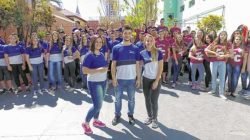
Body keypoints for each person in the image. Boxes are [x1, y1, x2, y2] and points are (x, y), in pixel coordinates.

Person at [111, 25, 141, 126]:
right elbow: (113, 64)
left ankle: (130, 115)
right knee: (117, 99)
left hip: (131, 80)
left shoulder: (136, 48)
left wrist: (138, 78)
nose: (127, 35)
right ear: (122, 34)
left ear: (131, 34)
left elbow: (137, 65)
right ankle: (117, 115)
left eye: (129, 33)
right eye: (125, 33)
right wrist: (114, 78)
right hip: (119, 79)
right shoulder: (116, 48)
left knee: (131, 99)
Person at [81, 36, 108, 134]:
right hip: (94, 83)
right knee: (97, 105)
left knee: (99, 104)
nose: (99, 43)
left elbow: (102, 67)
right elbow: (84, 70)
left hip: (103, 81)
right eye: (96, 42)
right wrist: (98, 70)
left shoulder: (101, 54)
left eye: (100, 42)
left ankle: (95, 120)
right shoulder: (89, 55)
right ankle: (86, 123)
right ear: (93, 43)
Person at [140, 34, 163, 129]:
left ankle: (154, 119)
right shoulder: (142, 53)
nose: (149, 42)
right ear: (145, 42)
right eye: (147, 41)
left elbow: (160, 68)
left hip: (155, 79)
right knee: (147, 99)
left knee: (154, 100)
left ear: (154, 41)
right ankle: (149, 116)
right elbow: (140, 66)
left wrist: (156, 81)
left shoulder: (158, 52)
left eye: (150, 40)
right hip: (145, 79)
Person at [205, 31, 230, 100]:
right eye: (221, 35)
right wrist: (215, 53)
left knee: (222, 78)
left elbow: (230, 54)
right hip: (213, 62)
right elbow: (206, 49)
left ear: (226, 36)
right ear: (219, 35)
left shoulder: (227, 44)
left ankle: (221, 93)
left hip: (222, 62)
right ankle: (213, 90)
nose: (222, 36)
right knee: (214, 76)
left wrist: (223, 56)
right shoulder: (214, 42)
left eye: (224, 35)